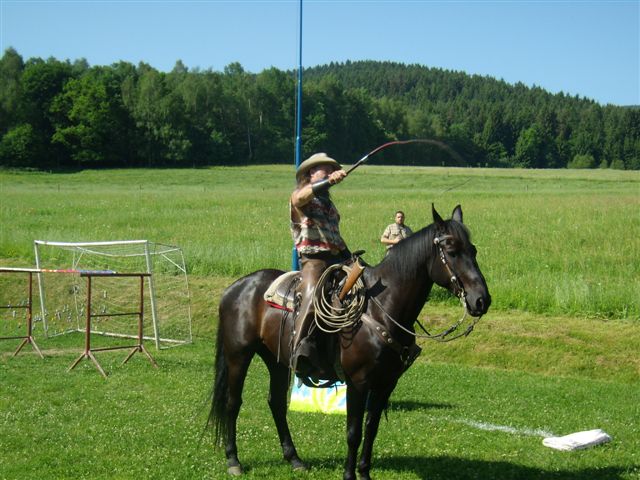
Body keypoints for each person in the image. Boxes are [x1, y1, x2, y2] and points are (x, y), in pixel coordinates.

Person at [290, 152, 350, 375]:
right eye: (325, 169)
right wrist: (329, 181)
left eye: (332, 169)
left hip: (337, 259)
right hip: (314, 261)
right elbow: (301, 197)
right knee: (313, 295)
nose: (330, 172)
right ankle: (300, 351)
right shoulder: (301, 197)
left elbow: (336, 237)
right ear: (311, 173)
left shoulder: (330, 206)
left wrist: (350, 257)